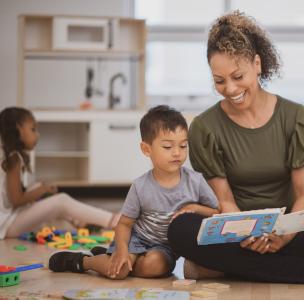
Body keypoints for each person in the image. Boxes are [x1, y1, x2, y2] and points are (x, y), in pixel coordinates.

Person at [167, 10, 304, 286]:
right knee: (180, 230)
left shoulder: (297, 118)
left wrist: (283, 235)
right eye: (219, 81)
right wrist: (247, 233)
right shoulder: (204, 128)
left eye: (237, 76)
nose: (230, 88)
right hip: (236, 230)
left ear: (257, 64)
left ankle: (222, 269)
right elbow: (226, 202)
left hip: (290, 226)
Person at [49, 105, 219, 279]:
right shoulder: (140, 186)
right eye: (168, 147)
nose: (177, 153)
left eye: (183, 146)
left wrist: (195, 208)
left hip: (165, 248)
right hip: (136, 239)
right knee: (119, 271)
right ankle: (83, 261)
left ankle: (106, 256)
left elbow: (216, 212)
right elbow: (124, 224)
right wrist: (122, 251)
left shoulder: (196, 181)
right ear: (146, 149)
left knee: (153, 267)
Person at [0, 107, 120, 239]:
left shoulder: (10, 155)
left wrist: (40, 189)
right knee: (61, 201)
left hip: (9, 219)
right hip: (6, 226)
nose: (37, 135)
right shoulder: (13, 158)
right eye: (33, 129)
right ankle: (114, 221)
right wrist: (42, 190)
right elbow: (17, 200)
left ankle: (81, 221)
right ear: (18, 129)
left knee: (40, 189)